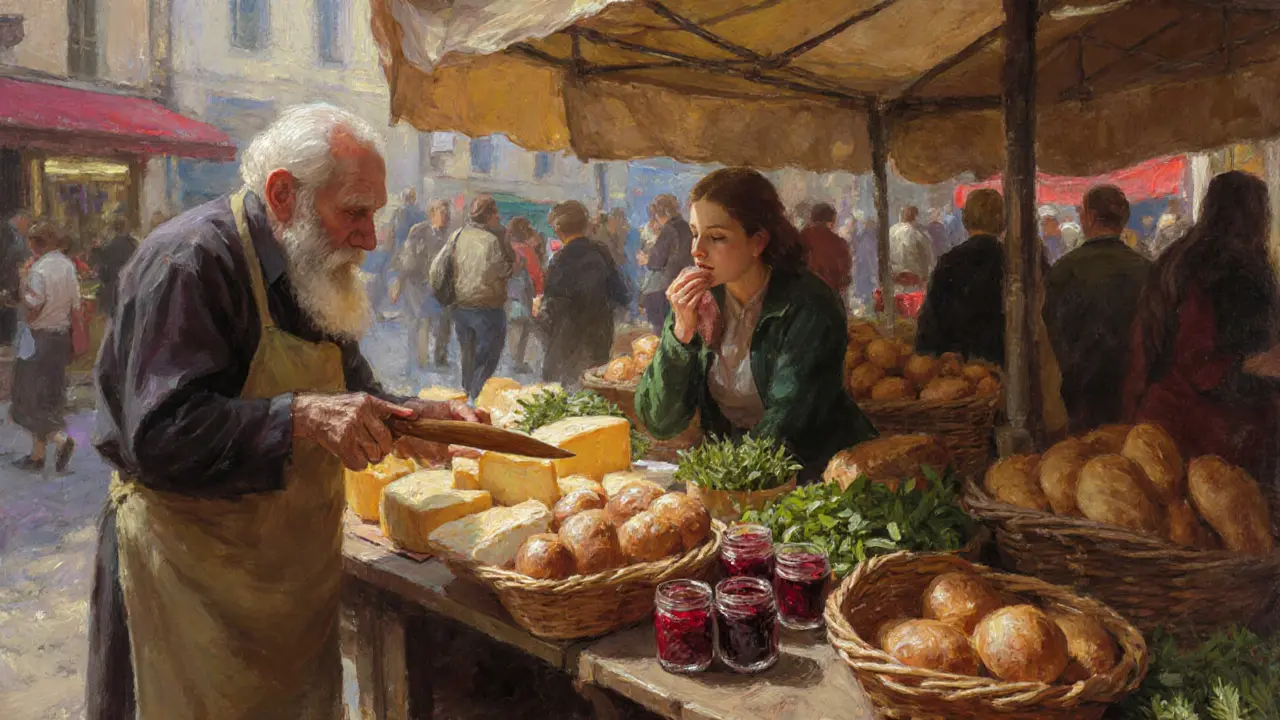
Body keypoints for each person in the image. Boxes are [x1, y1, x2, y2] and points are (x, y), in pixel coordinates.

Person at [85, 104, 487, 720]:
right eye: (354, 212)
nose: (371, 238)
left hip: (282, 590)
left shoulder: (310, 270)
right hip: (182, 583)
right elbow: (159, 434)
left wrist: (417, 420)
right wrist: (301, 416)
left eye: (373, 214)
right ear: (282, 194)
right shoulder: (190, 262)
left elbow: (352, 392)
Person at [634, 168, 877, 482]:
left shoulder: (809, 305)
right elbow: (660, 421)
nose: (697, 249)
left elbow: (788, 423)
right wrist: (680, 333)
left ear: (758, 241)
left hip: (819, 478)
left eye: (717, 237)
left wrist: (720, 477)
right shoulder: (698, 300)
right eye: (695, 232)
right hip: (742, 476)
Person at [1125, 172, 1278, 482]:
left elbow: (1146, 348)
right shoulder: (1231, 269)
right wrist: (1257, 367)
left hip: (1163, 423)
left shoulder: (1177, 259)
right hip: (1213, 435)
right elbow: (1199, 361)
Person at [1044, 184, 1151, 433]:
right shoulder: (1147, 270)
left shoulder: (1064, 270)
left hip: (1080, 394)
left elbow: (1052, 334)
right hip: (1134, 395)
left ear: (1090, 217)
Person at [9, 221, 79, 472]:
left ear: (37, 244)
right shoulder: (67, 266)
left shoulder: (39, 270)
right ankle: (37, 456)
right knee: (49, 396)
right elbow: (75, 305)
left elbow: (33, 305)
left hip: (38, 339)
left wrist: (21, 284)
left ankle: (60, 440)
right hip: (60, 338)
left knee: (24, 399)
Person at [430, 194, 514, 401]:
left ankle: (468, 393)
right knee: (488, 356)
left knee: (468, 355)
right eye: (496, 213)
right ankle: (476, 395)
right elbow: (502, 270)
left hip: (461, 307)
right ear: (490, 215)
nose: (498, 217)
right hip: (487, 308)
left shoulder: (458, 235)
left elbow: (435, 269)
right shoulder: (491, 240)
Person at [536, 201, 630, 387]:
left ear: (558, 230)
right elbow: (622, 295)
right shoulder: (602, 253)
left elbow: (551, 310)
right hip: (598, 338)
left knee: (561, 393)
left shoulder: (560, 261)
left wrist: (539, 310)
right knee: (593, 390)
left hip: (566, 341)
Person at [915, 189, 1007, 366]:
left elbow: (929, 325)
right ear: (1002, 222)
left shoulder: (949, 262)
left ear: (966, 220)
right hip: (1005, 366)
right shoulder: (1013, 262)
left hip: (958, 370)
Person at [391, 198, 453, 370]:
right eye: (443, 212)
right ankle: (419, 360)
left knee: (444, 322)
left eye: (448, 213)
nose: (446, 216)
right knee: (419, 321)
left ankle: (440, 358)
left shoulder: (449, 236)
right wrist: (399, 281)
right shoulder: (419, 231)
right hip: (417, 283)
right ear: (432, 213)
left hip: (440, 286)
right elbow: (407, 258)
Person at [641, 194, 694, 335]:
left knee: (662, 329)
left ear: (660, 214)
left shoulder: (669, 229)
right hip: (687, 282)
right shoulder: (686, 227)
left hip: (669, 286)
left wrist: (646, 259)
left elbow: (655, 262)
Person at [507, 216, 544, 374]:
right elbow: (536, 276)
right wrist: (540, 293)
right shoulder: (527, 251)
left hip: (508, 295)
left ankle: (514, 360)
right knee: (523, 328)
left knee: (514, 327)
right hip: (524, 296)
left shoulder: (508, 248)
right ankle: (518, 361)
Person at [90, 214, 139, 319]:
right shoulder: (133, 246)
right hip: (130, 292)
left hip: (113, 293)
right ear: (125, 227)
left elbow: (103, 274)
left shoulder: (108, 248)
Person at [798, 203, 850, 300]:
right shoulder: (839, 243)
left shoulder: (802, 237)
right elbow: (844, 276)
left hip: (805, 295)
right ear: (831, 220)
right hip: (830, 296)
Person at [0, 209, 32, 346]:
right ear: (20, 219)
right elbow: (6, 257)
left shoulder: (17, 234)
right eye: (27, 224)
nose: (27, 227)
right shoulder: (5, 231)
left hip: (14, 280)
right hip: (7, 279)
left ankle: (10, 339)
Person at [889, 205, 933, 291]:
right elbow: (926, 257)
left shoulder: (892, 230)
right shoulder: (916, 234)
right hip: (912, 278)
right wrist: (925, 276)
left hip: (894, 275)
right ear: (916, 217)